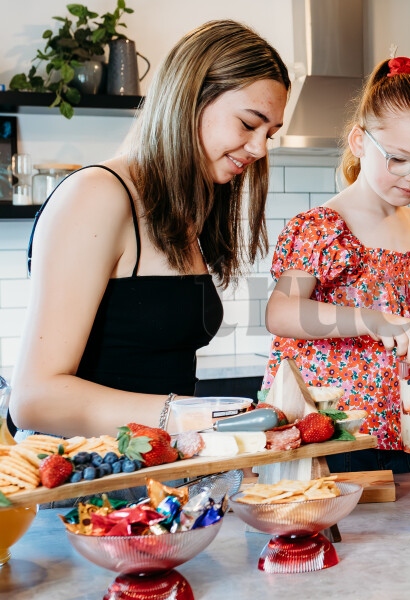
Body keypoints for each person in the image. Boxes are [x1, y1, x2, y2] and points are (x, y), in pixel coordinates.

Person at [10, 20, 291, 439]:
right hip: (96, 489)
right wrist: (201, 416)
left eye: (270, 133)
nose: (260, 148)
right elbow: (34, 399)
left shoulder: (186, 209)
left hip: (162, 479)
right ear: (190, 98)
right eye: (250, 124)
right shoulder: (99, 194)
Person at [263, 52, 410, 474]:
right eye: (399, 159)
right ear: (358, 142)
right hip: (331, 432)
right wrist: (374, 319)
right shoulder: (323, 227)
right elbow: (281, 313)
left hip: (406, 427)